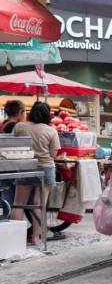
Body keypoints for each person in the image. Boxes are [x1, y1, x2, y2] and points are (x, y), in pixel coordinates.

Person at [12, 102, 60, 245]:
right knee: (39, 204)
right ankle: (36, 238)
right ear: (47, 115)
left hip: (25, 166)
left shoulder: (20, 126)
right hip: (45, 169)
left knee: (18, 204)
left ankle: (15, 240)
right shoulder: (51, 131)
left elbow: (13, 146)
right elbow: (53, 154)